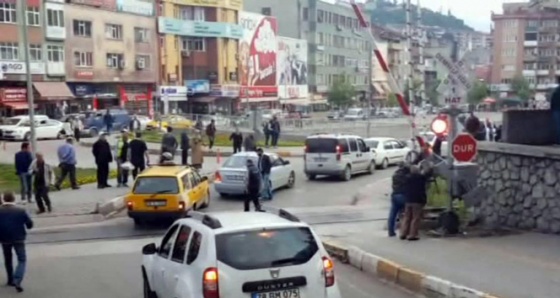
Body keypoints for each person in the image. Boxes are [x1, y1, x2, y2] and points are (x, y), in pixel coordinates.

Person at [0, 191, 33, 293]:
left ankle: (10, 280)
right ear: (14, 199)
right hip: (18, 238)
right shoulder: (21, 210)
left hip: (4, 238)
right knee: (22, 259)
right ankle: (17, 280)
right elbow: (29, 224)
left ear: (4, 199)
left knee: (8, 259)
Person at [400, 165, 428, 241]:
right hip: (417, 200)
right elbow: (426, 175)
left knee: (407, 217)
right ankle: (413, 234)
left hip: (408, 200)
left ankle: (403, 233)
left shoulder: (407, 178)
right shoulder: (420, 178)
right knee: (415, 218)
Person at [388, 163, 409, 237]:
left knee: (393, 214)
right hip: (403, 195)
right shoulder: (406, 176)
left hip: (394, 195)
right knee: (405, 215)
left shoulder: (395, 175)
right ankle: (403, 232)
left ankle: (391, 231)